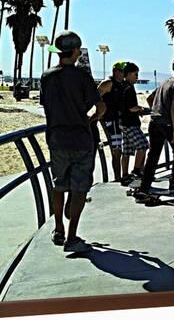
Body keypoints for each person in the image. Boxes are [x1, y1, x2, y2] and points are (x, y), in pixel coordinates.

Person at [41, 30, 106, 252]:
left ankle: (58, 228)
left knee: (58, 184)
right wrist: (89, 120)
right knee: (79, 189)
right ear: (76, 51)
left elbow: (46, 105)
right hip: (80, 139)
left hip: (56, 139)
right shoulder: (82, 77)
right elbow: (100, 107)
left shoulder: (47, 76)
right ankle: (72, 236)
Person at [136, 57, 174, 201]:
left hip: (154, 122)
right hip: (168, 124)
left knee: (153, 155)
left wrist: (156, 110)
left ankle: (144, 187)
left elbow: (150, 98)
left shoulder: (165, 82)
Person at [120, 62, 149, 186]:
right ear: (130, 74)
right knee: (143, 145)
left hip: (123, 123)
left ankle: (124, 175)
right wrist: (142, 109)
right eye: (136, 74)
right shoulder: (129, 88)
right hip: (130, 124)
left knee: (126, 151)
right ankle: (136, 171)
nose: (137, 77)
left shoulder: (122, 86)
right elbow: (132, 107)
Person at [97, 62, 126, 182]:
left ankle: (120, 175)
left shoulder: (122, 84)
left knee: (119, 149)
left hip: (119, 120)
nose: (123, 74)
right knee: (116, 149)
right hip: (110, 120)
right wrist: (99, 113)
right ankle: (117, 177)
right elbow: (94, 98)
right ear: (116, 71)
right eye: (122, 71)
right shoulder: (108, 83)